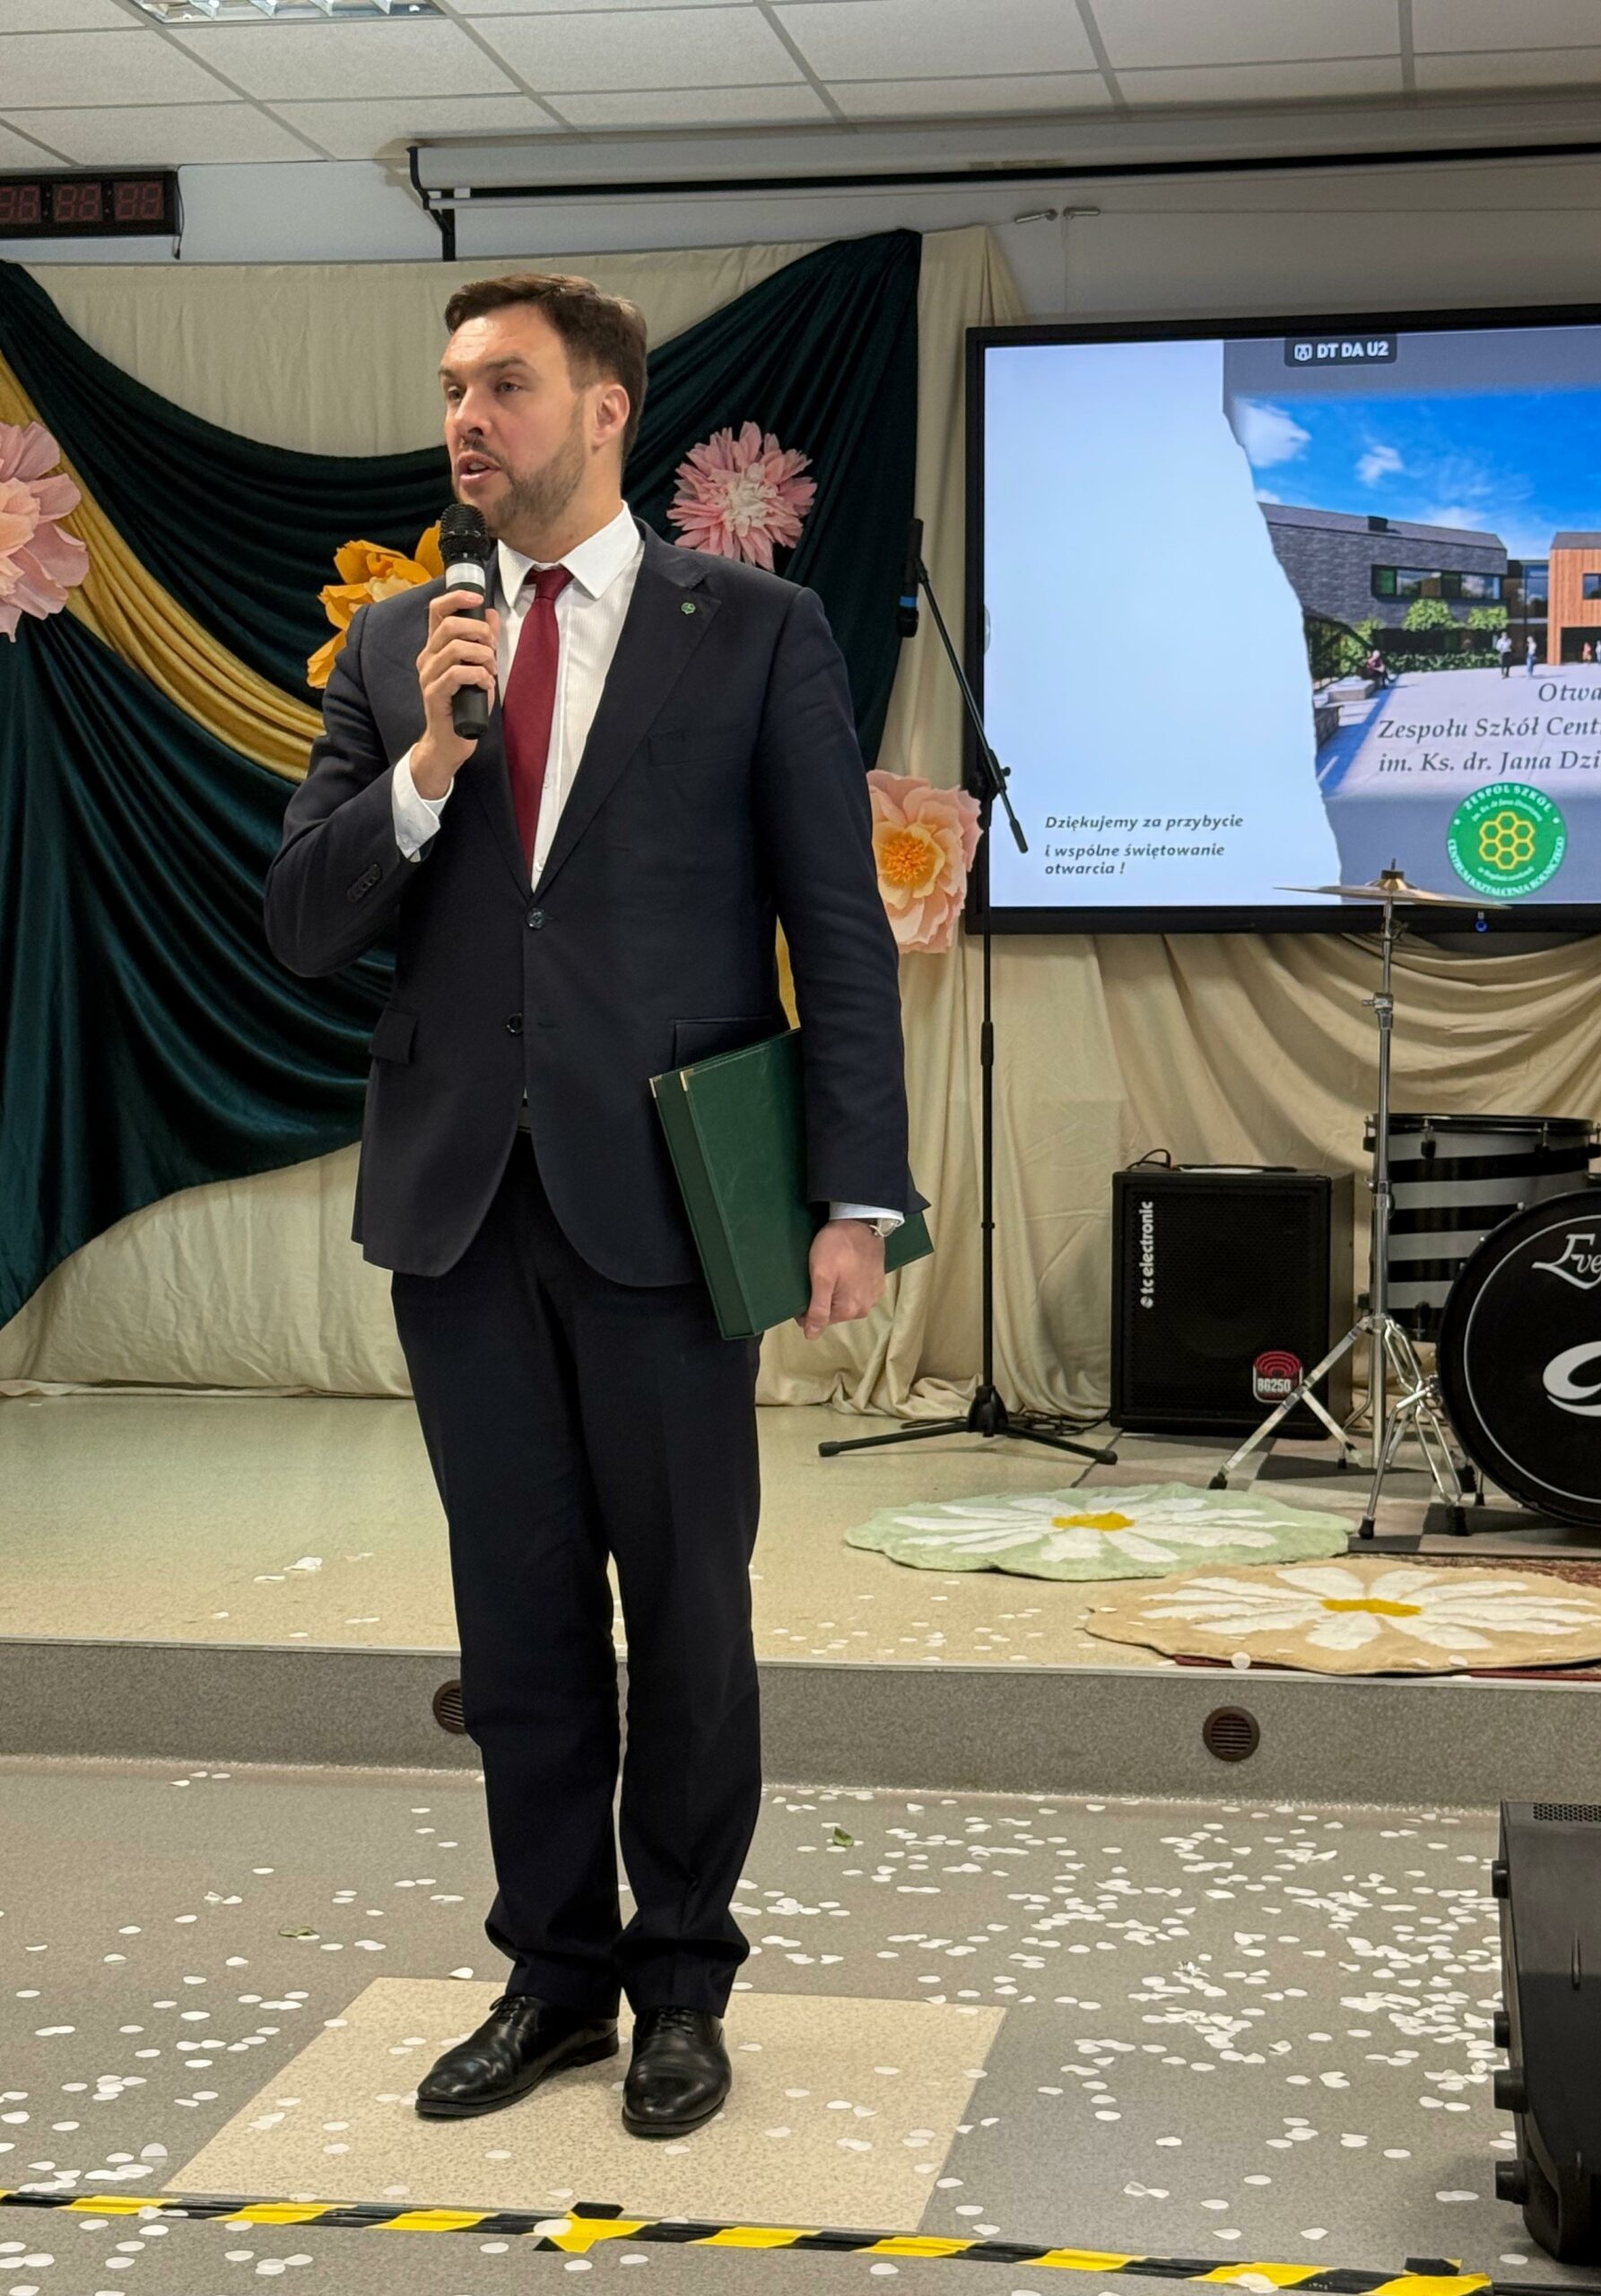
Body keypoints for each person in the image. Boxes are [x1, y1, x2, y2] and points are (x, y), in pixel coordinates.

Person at [263, 273, 923, 2139]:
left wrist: (853, 1193)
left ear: (608, 406)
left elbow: (836, 927)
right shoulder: (399, 646)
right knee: (519, 1613)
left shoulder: (758, 628)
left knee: (688, 1610)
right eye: (452, 387)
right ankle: (551, 1976)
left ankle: (683, 1981)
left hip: (671, 1199)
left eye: (507, 384)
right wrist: (428, 762)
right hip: (461, 1207)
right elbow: (301, 921)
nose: (468, 418)